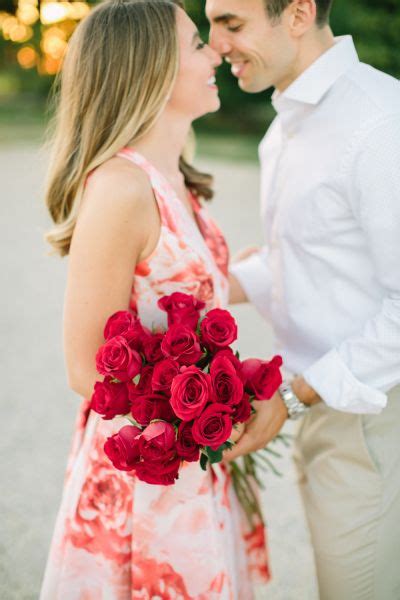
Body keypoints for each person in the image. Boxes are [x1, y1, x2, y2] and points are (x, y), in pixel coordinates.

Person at [39, 1, 270, 598]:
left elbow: (194, 292)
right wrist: (218, 409)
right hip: (147, 472)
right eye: (197, 43)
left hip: (191, 466)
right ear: (150, 70)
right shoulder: (121, 187)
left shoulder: (173, 179)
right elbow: (85, 367)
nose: (216, 51)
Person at [206, 0, 400, 598]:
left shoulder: (379, 123)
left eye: (231, 25)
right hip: (323, 402)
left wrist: (290, 398)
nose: (215, 47)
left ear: (297, 13)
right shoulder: (282, 129)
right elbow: (310, 258)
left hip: (374, 413)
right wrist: (203, 286)